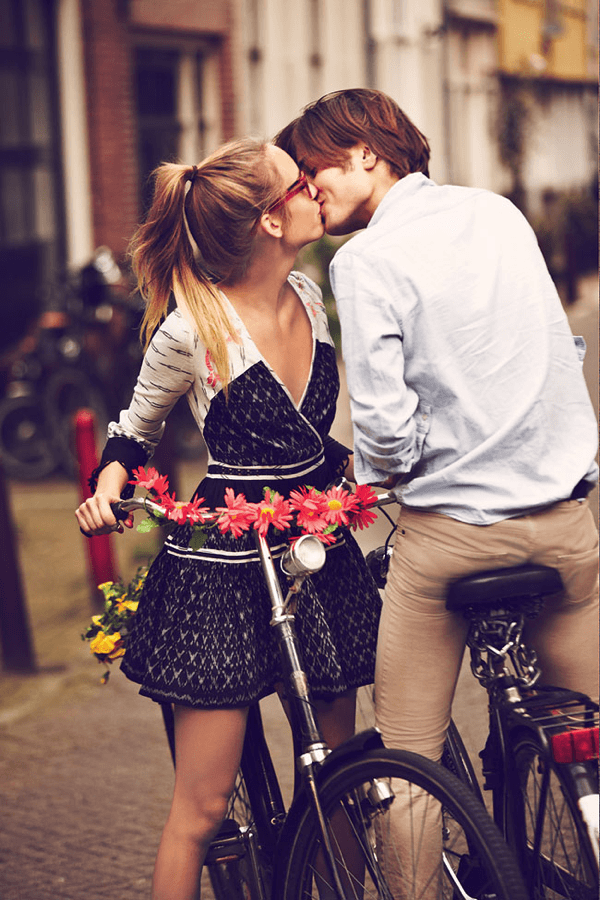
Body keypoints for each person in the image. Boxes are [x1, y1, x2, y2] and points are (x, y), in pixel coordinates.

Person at [75, 137, 381, 900]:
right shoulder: (193, 328)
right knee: (203, 806)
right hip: (221, 573)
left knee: (338, 778)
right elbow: (133, 428)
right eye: (297, 184)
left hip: (315, 550)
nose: (314, 187)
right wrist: (108, 482)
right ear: (269, 225)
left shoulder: (312, 297)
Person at [275, 87, 599, 766]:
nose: (309, 189)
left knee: (410, 755)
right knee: (588, 733)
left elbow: (386, 431)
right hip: (566, 522)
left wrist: (388, 467)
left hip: (454, 538)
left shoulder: (362, 261)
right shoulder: (498, 213)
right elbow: (557, 353)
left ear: (367, 153)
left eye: (314, 169)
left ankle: (419, 867)